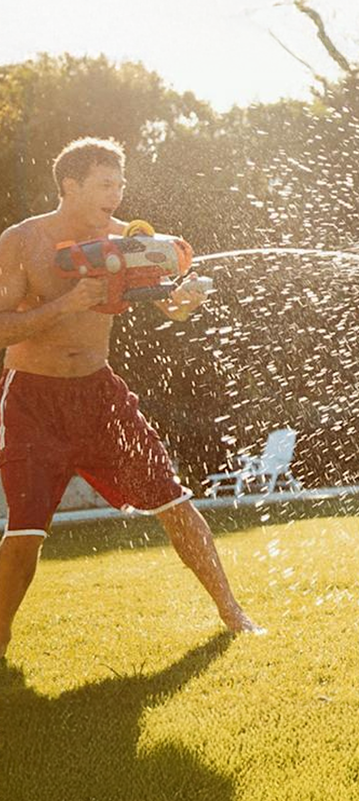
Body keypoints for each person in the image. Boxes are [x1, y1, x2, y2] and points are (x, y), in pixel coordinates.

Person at [0, 137, 261, 663]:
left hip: (100, 395)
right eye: (104, 184)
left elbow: (170, 304)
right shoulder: (23, 242)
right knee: (25, 532)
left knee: (173, 500)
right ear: (69, 186)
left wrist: (183, 301)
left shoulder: (129, 241)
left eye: (120, 184)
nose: (116, 196)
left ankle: (233, 612)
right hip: (32, 400)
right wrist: (69, 302)